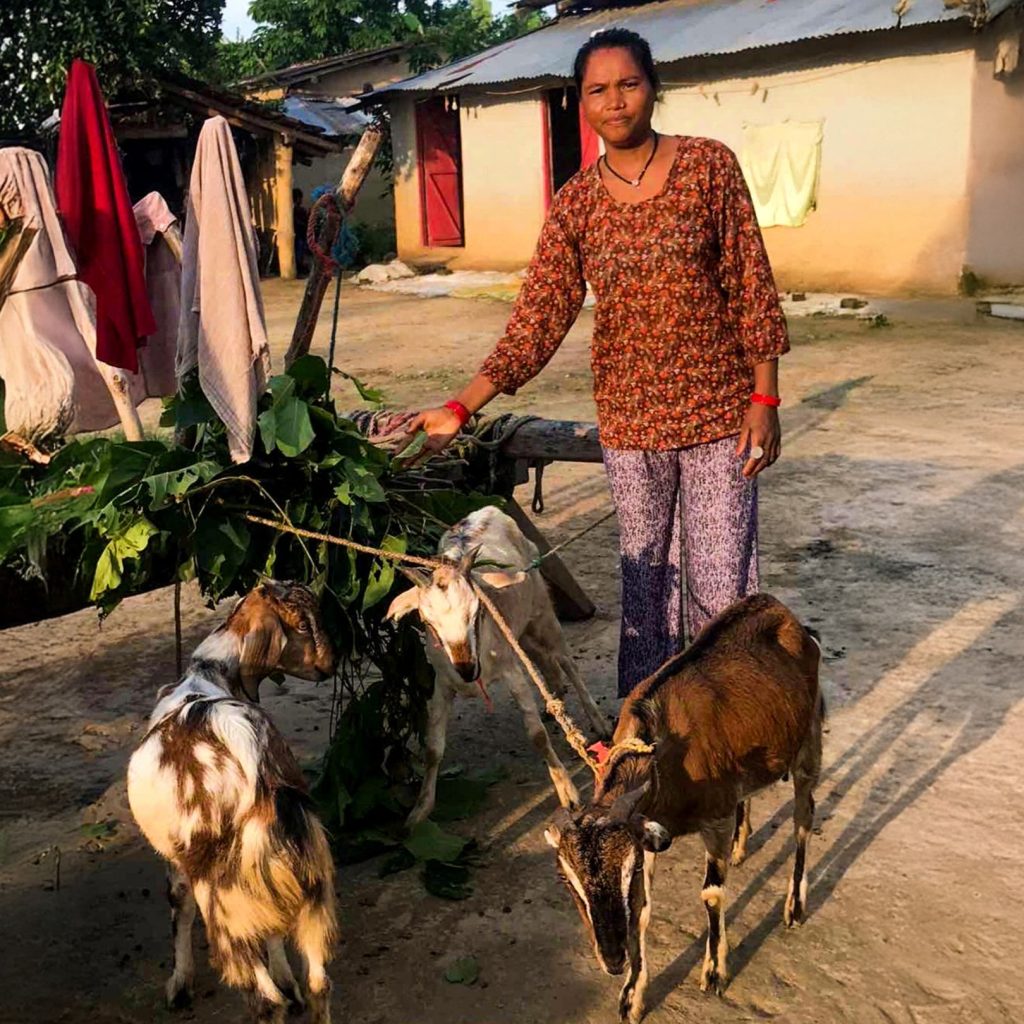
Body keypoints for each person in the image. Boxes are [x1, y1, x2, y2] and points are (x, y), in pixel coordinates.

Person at [401, 28, 789, 699]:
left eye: (628, 84)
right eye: (598, 90)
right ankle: (649, 730)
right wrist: (462, 405)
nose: (616, 101)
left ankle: (726, 727)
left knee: (722, 585)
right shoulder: (577, 203)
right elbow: (538, 318)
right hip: (632, 424)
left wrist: (766, 397)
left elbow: (751, 283)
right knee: (644, 584)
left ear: (653, 87)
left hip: (719, 414)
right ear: (580, 102)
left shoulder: (709, 168)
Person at [293, 187, 309, 275]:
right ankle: (300, 268)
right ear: (298, 198)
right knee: (300, 253)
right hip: (300, 235)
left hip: (298, 235)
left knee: (299, 253)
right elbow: (303, 222)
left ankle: (300, 267)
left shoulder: (293, 210)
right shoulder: (298, 210)